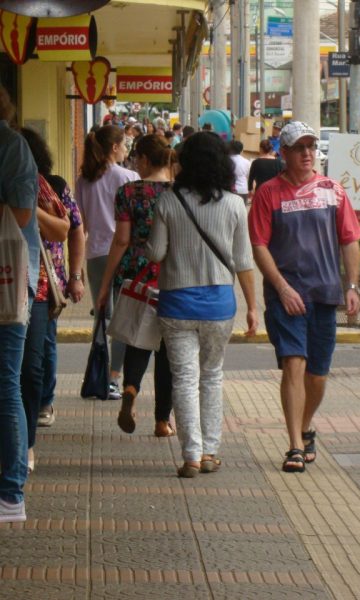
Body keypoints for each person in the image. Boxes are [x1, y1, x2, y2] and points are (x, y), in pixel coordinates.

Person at [248, 121, 360, 473]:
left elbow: (350, 240)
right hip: (287, 297)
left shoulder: (333, 190)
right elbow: (259, 246)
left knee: (318, 374)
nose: (307, 154)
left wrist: (353, 286)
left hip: (325, 293)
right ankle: (295, 445)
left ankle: (305, 423)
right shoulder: (268, 193)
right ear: (284, 154)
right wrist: (282, 288)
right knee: (293, 364)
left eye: (311, 147)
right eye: (299, 148)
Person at [146, 132, 257, 477]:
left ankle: (191, 455)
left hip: (176, 303)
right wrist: (253, 307)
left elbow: (156, 253)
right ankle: (210, 451)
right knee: (211, 376)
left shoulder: (168, 201)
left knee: (184, 379)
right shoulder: (235, 204)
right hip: (219, 305)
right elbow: (243, 261)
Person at [96, 134, 176, 437]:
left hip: (135, 276)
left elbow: (122, 239)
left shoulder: (128, 192)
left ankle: (130, 389)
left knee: (136, 339)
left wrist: (105, 283)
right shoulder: (176, 192)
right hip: (170, 275)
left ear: (143, 159)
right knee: (167, 350)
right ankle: (161, 421)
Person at [18, 128, 85, 431]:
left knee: (42, 349)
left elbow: (72, 231)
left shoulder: (53, 187)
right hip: (15, 281)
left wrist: (75, 276)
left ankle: (43, 402)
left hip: (47, 282)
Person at [19, 133, 71, 475]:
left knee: (30, 369)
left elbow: (63, 229)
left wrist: (28, 208)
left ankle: (27, 443)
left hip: (33, 287)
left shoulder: (36, 184)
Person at [75, 125, 139, 399]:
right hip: (123, 254)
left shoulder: (83, 180)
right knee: (123, 321)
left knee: (102, 317)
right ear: (114, 148)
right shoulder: (129, 177)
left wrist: (75, 268)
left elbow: (83, 225)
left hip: (95, 255)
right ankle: (114, 378)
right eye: (123, 144)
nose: (126, 148)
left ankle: (97, 377)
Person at [0, 86, 39, 523]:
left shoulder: (10, 146)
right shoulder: (15, 147)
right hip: (13, 279)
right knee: (6, 381)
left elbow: (23, 214)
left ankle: (11, 492)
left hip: (7, 279)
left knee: (6, 381)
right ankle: (10, 491)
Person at [247, 138, 283, 203]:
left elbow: (251, 178)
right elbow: (282, 177)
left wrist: (250, 190)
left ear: (261, 149)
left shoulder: (256, 162)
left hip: (260, 192)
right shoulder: (278, 162)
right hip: (274, 193)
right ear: (270, 149)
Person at [229, 140, 251, 205]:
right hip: (244, 190)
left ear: (231, 148)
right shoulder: (247, 162)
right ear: (241, 150)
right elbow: (248, 176)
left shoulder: (227, 160)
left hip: (231, 190)